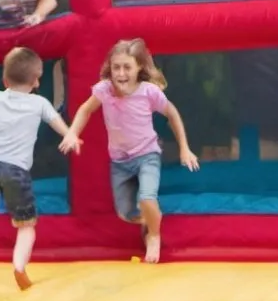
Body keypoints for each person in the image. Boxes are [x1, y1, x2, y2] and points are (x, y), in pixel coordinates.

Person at [0, 46, 78, 290]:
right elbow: (58, 123)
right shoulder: (39, 103)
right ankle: (19, 266)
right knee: (26, 226)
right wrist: (70, 136)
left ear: (5, 80)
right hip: (16, 171)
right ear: (37, 80)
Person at [59, 38, 199, 264]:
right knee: (126, 214)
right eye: (116, 67)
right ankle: (149, 220)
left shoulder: (148, 92)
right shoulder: (104, 90)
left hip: (147, 155)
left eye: (127, 67)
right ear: (110, 68)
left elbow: (172, 114)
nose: (121, 73)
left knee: (146, 197)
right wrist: (72, 132)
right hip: (120, 162)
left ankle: (154, 234)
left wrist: (185, 148)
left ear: (139, 68)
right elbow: (85, 110)